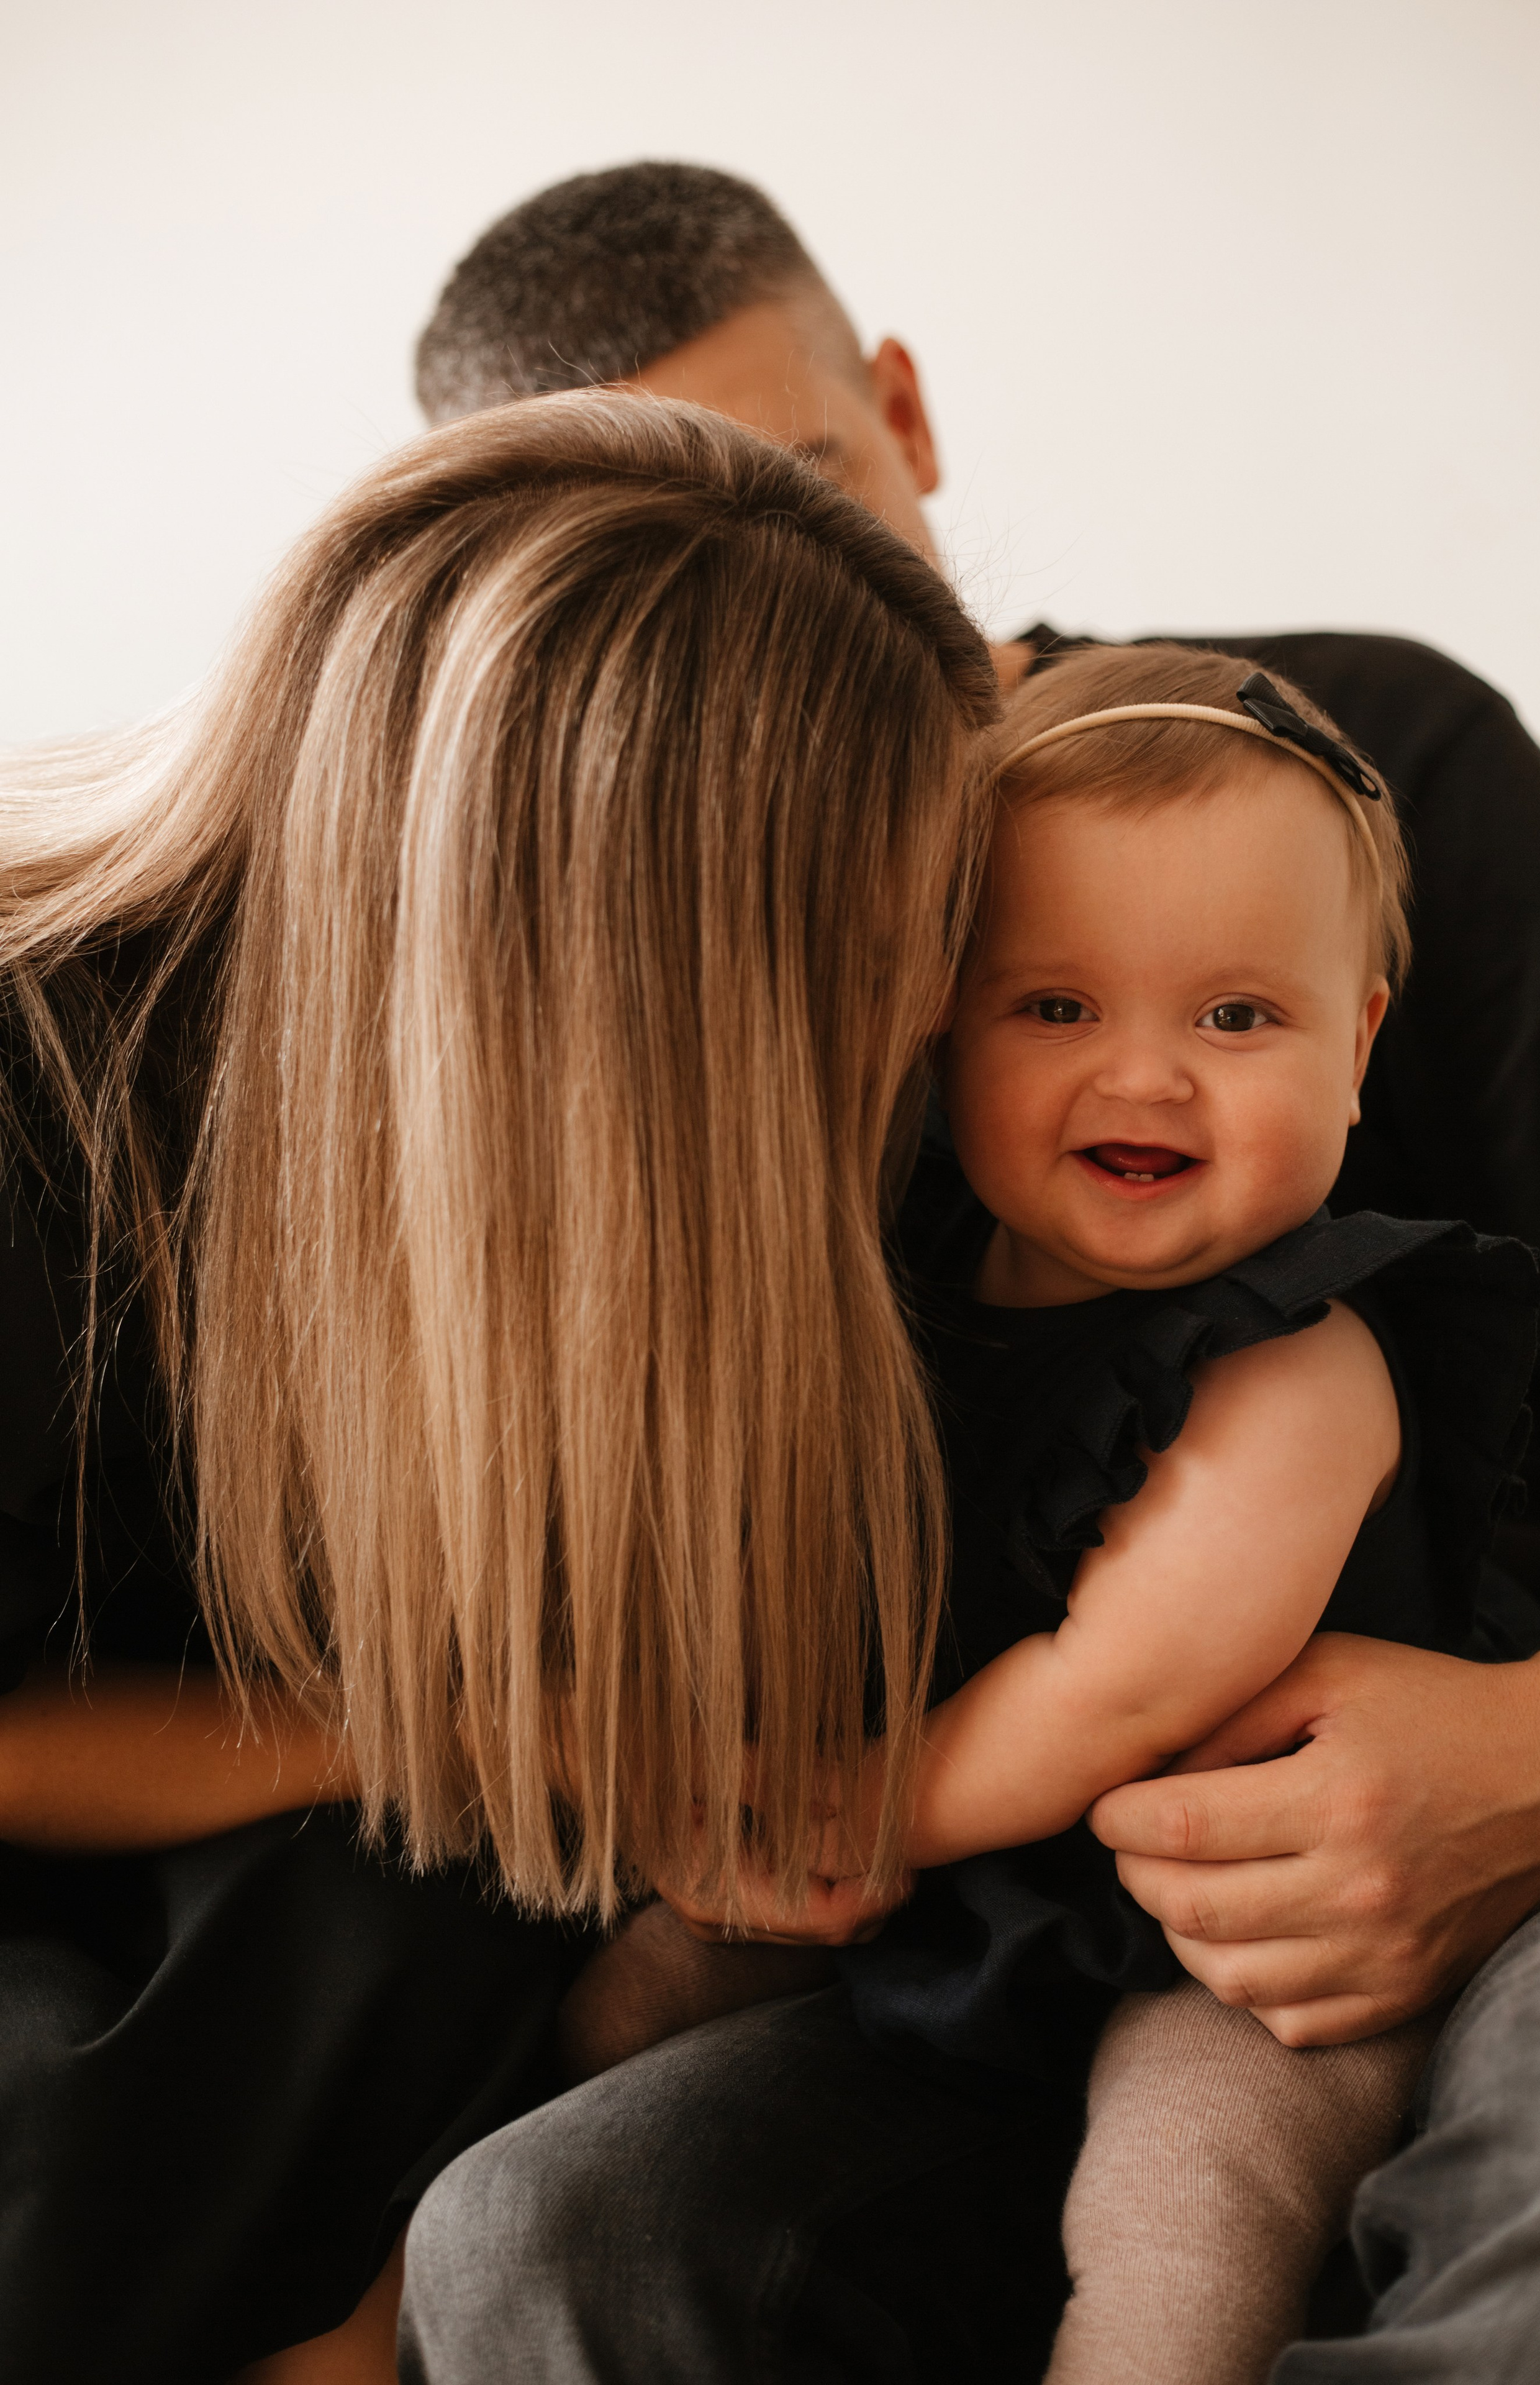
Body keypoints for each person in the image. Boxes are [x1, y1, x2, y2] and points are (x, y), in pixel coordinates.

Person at [398, 164, 1540, 2382]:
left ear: (910, 417)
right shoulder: (652, 1061)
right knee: (541, 2233)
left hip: (1507, 1800)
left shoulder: (1374, 770)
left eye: (809, 502)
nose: (780, 642)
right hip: (999, 1925)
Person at [0, 389, 999, 2384]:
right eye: (909, 929)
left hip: (312, 1881)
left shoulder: (701, 1181)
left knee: (422, 1914)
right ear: (647, 962)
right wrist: (445, 1734)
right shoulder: (43, 1100)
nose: (939, 998)